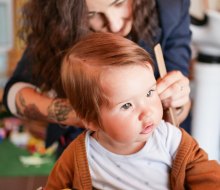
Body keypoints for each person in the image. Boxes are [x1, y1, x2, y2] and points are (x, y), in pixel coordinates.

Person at [3, 0, 191, 157]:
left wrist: (178, 101)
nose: (115, 25)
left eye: (119, 2)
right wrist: (80, 115)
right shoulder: (57, 23)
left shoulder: (170, 7)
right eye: (91, 15)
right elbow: (14, 93)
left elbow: (180, 96)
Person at [45, 33, 220, 190]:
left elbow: (205, 174)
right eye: (127, 105)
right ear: (91, 120)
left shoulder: (170, 140)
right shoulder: (80, 155)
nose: (147, 112)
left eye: (150, 93)